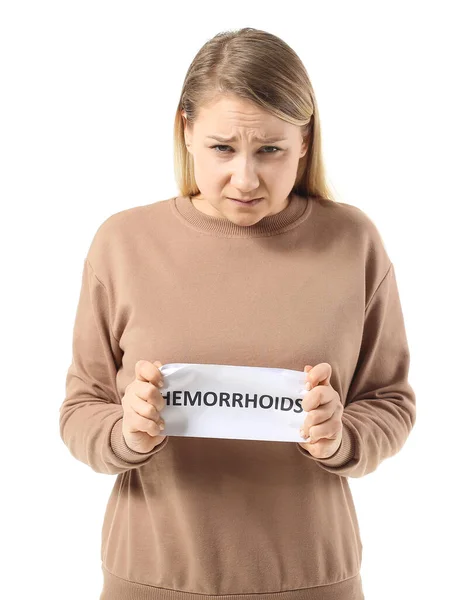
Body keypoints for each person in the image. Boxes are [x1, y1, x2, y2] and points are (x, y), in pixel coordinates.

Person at [59, 27, 416, 600]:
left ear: (304, 141)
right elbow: (81, 407)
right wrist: (124, 432)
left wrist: (341, 435)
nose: (245, 178)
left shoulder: (354, 242)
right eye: (223, 148)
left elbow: (391, 401)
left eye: (270, 149)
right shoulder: (122, 244)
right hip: (149, 579)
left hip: (311, 579)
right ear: (186, 133)